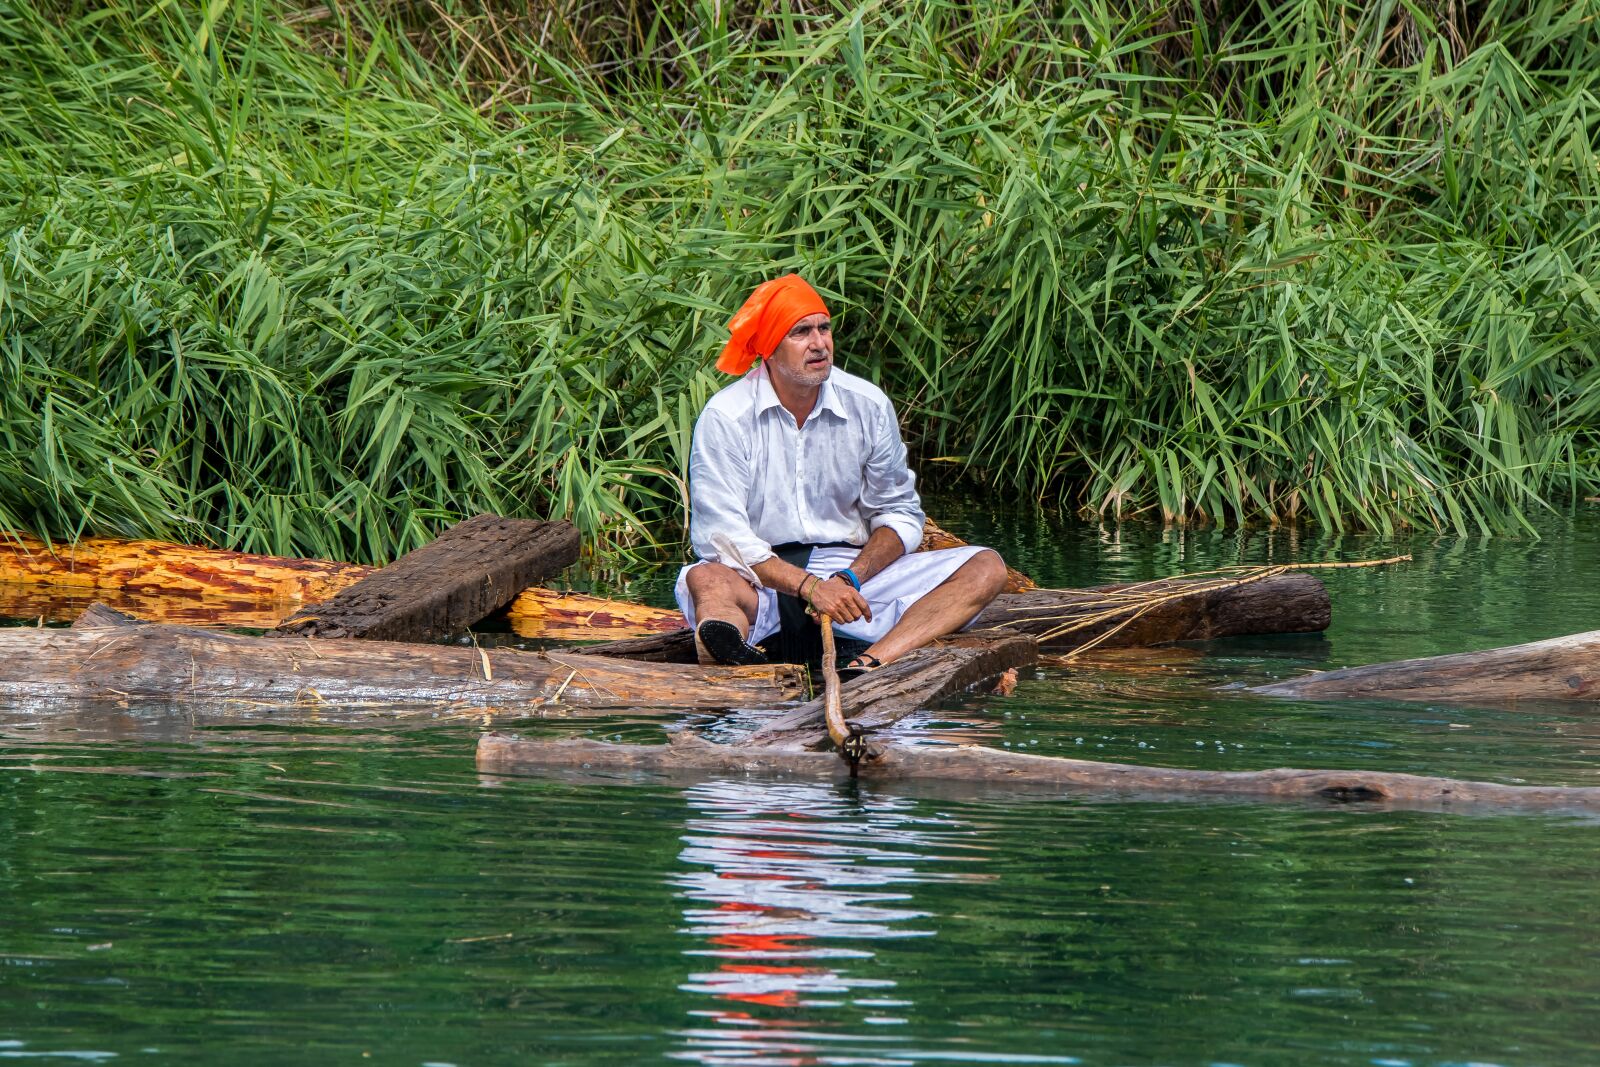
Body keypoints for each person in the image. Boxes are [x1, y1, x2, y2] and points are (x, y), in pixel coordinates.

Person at [676, 274, 1008, 674]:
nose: (819, 343)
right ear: (770, 348)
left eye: (824, 328)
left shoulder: (867, 404)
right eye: (801, 332)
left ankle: (870, 663)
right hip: (758, 577)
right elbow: (722, 536)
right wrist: (810, 587)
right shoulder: (726, 416)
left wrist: (849, 579)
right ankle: (730, 650)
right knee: (708, 578)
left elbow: (898, 513)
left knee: (986, 567)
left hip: (851, 576)